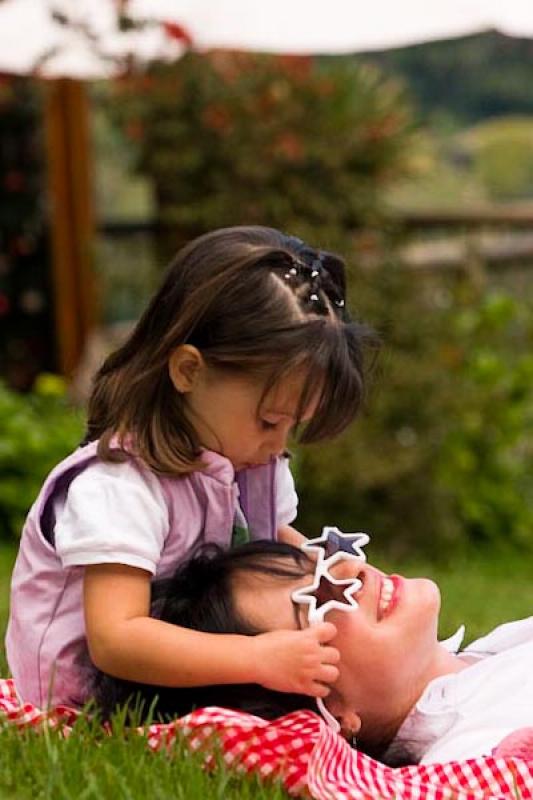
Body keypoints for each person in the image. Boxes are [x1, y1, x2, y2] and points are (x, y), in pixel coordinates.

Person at [6, 226, 374, 710]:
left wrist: (327, 569)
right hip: (84, 703)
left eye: (292, 426)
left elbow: (268, 545)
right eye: (268, 420)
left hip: (177, 685)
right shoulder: (121, 488)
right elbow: (117, 639)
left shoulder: (248, 462)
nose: (278, 445)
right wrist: (256, 656)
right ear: (188, 372)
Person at [89, 540, 533, 766]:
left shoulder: (498, 649)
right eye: (317, 602)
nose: (351, 571)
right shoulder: (478, 753)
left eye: (318, 560)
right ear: (334, 713)